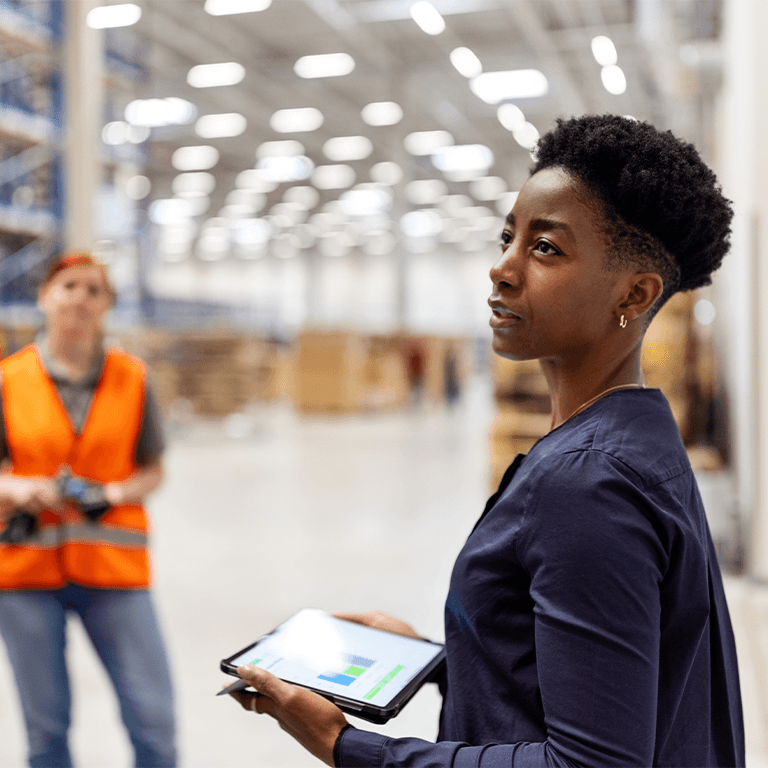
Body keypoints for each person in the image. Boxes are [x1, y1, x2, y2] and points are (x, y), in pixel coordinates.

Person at [227, 115, 745, 767]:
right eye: (509, 239)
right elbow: (607, 682)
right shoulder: (638, 435)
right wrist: (451, 656)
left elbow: (593, 763)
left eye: (546, 249)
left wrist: (346, 745)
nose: (502, 269)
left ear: (634, 295)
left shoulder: (586, 481)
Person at [0, 250, 176, 767]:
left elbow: (154, 468)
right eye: (68, 285)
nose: (79, 298)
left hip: (115, 572)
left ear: (108, 305)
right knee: (46, 732)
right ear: (44, 297)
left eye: (93, 289)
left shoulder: (133, 378)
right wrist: (18, 489)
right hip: (25, 573)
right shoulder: (7, 381)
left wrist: (113, 494)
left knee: (154, 724)